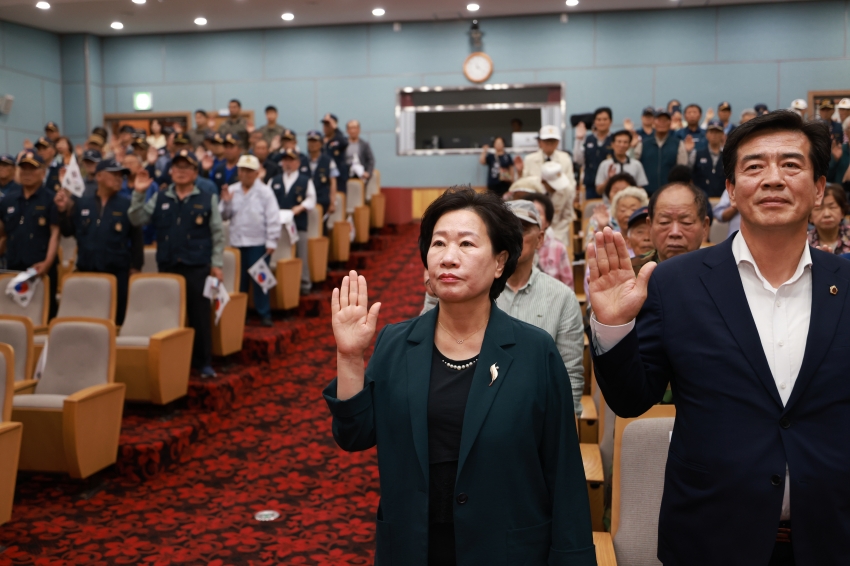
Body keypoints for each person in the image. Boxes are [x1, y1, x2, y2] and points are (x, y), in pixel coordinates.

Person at [588, 111, 847, 565]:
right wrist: (612, 327)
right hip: (711, 539)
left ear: (820, 186)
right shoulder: (675, 283)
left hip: (833, 537)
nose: (772, 179)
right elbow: (631, 399)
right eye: (753, 167)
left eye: (790, 165)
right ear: (729, 188)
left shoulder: (845, 283)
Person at [324, 186, 595, 565]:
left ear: (500, 262)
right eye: (438, 244)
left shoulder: (535, 351)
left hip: (507, 548)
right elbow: (354, 436)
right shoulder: (396, 342)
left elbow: (563, 471)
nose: (449, 258)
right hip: (414, 546)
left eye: (467, 244)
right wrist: (350, 356)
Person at [421, 198, 585, 414]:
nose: (515, 236)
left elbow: (569, 376)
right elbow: (425, 347)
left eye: (523, 228)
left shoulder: (561, 297)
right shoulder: (467, 289)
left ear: (540, 239)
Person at [128, 149, 225, 379]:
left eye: (187, 168)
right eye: (177, 168)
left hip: (197, 265)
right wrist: (138, 194)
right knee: (169, 316)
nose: (181, 172)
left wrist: (217, 264)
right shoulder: (160, 197)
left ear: (195, 173)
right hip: (168, 265)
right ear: (170, 172)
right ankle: (172, 361)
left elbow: (218, 234)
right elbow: (136, 218)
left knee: (200, 316)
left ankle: (203, 363)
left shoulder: (207, 197)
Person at [55, 159, 143, 325]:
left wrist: (136, 267)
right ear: (100, 176)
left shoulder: (127, 204)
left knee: (116, 321)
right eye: (114, 174)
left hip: (117, 274)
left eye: (121, 176)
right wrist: (61, 211)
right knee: (89, 320)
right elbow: (68, 232)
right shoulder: (83, 203)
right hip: (88, 271)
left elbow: (137, 238)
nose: (119, 179)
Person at [220, 154, 281, 327]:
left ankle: (264, 313)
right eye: (242, 170)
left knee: (260, 280)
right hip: (238, 242)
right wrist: (226, 203)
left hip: (258, 243)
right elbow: (223, 216)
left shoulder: (265, 192)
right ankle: (242, 313)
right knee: (241, 281)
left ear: (256, 173)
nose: (245, 174)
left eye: (249, 171)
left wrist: (272, 242)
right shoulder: (231, 190)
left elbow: (273, 217)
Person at [0, 151, 60, 317]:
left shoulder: (50, 199)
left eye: (32, 169)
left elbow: (55, 235)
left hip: (40, 269)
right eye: (23, 168)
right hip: (13, 266)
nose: (27, 173)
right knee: (14, 316)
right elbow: (2, 234)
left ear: (42, 172)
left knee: (44, 315)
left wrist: (47, 262)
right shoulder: (8, 200)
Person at [269, 148, 316, 295]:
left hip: (298, 223)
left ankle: (304, 284)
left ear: (297, 162)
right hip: (278, 226)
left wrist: (300, 207)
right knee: (280, 256)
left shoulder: (305, 180)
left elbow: (311, 199)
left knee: (301, 254)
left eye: (291, 160)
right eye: (285, 160)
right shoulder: (274, 180)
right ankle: (281, 285)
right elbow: (267, 199)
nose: (288, 163)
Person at [520, 192, 574, 289]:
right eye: (530, 212)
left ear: (548, 222)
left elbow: (568, 284)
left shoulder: (558, 248)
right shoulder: (516, 245)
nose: (534, 216)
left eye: (538, 212)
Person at [633, 108, 689, 194]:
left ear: (670, 123)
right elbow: (634, 166)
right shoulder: (643, 144)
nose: (662, 123)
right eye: (659, 120)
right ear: (653, 122)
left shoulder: (678, 144)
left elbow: (682, 169)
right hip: (646, 192)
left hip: (670, 191)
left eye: (665, 120)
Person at [516, 125, 577, 201]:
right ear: (540, 142)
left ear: (558, 142)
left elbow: (570, 186)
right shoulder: (529, 159)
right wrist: (519, 172)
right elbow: (523, 186)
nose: (549, 143)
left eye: (552, 140)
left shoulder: (565, 158)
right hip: (536, 203)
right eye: (546, 140)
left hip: (560, 203)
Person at [573, 107, 614, 198]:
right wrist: (578, 139)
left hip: (610, 185)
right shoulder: (587, 139)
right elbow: (578, 160)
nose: (601, 122)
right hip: (591, 184)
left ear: (611, 121)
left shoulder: (615, 139)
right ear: (594, 121)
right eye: (598, 119)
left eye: (605, 119)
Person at [806, 183, 850, 255]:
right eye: (819, 209)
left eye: (832, 207)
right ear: (809, 216)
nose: (827, 214)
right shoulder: (803, 244)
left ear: (842, 212)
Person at [691, 118, 727, 198]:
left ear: (722, 135)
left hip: (722, 200)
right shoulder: (696, 154)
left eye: (717, 132)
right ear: (706, 134)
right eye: (711, 132)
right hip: (701, 199)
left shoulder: (728, 156)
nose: (714, 135)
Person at [307, 129, 337, 216]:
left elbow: (333, 183)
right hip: (305, 202)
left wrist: (332, 203)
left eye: (315, 142)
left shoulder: (328, 161)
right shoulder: (302, 161)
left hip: (322, 201)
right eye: (310, 142)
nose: (312, 144)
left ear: (320, 144)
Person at [322, 113, 349, 195]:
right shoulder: (321, 139)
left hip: (339, 175)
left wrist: (336, 128)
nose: (326, 127)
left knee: (339, 198)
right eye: (324, 124)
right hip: (325, 174)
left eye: (328, 124)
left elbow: (345, 143)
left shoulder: (338, 138)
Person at [827, 117, 850, 186]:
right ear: (846, 132)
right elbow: (827, 177)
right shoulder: (840, 149)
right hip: (842, 193)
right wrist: (834, 160)